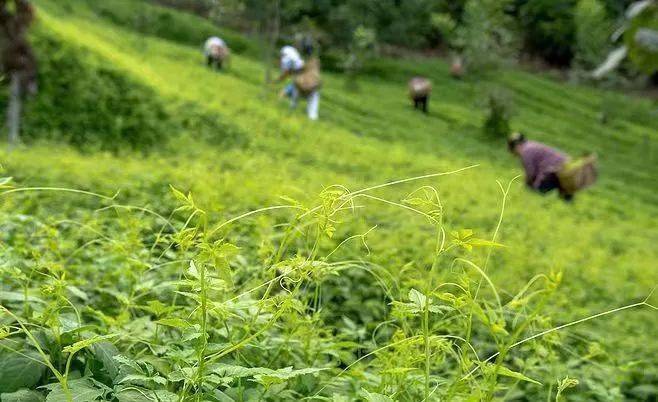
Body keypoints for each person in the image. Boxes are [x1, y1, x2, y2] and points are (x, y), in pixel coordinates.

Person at [507, 132, 573, 201]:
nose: (514, 154)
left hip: (555, 169)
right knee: (562, 188)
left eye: (512, 151)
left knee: (538, 188)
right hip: (567, 165)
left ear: (516, 147)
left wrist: (525, 185)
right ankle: (566, 199)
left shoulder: (525, 152)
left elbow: (531, 173)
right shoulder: (531, 145)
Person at [277, 45, 320, 121]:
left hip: (302, 86)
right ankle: (292, 114)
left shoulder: (302, 62)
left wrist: (278, 80)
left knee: (293, 103)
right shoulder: (313, 62)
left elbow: (288, 72)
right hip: (311, 87)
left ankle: (289, 113)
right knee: (312, 112)